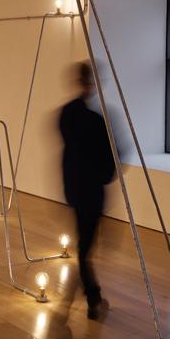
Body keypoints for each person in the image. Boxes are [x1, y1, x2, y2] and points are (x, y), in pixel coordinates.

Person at [58, 60, 116, 320]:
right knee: (85, 249)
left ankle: (84, 292)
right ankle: (92, 298)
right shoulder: (96, 120)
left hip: (75, 190)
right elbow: (109, 161)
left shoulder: (66, 114)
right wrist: (105, 175)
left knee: (84, 245)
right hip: (90, 193)